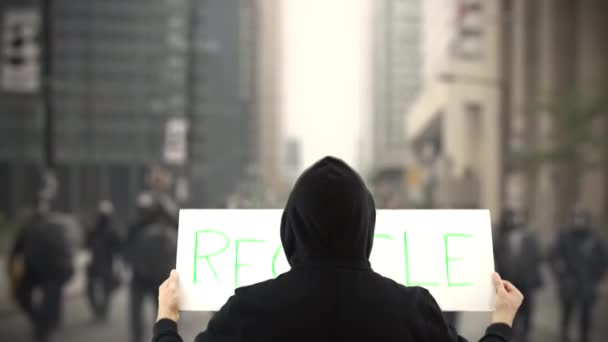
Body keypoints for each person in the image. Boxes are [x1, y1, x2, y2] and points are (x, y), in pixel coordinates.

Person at [151, 156, 523, 342]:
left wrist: (167, 318)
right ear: (366, 225)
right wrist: (501, 321)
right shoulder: (413, 310)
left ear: (292, 226)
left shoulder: (248, 310)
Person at [124, 165, 179, 342]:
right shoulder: (142, 202)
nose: (158, 181)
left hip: (162, 270)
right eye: (156, 178)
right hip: (141, 268)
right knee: (136, 316)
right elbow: (132, 229)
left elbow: (179, 227)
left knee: (164, 314)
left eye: (162, 178)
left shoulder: (171, 203)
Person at [8, 206, 75, 342]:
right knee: (50, 299)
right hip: (45, 270)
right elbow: (68, 251)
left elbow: (14, 254)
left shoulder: (33, 230)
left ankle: (44, 326)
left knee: (43, 298)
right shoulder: (52, 229)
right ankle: (46, 323)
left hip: (48, 270)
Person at [549, 210, 607, 342]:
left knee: (586, 317)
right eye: (576, 218)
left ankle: (584, 338)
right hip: (568, 283)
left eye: (581, 219)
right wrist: (560, 272)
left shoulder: (594, 238)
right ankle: (564, 336)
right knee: (567, 314)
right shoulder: (564, 237)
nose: (579, 222)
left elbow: (603, 260)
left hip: (587, 284)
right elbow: (554, 256)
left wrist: (596, 277)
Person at [493, 209, 542, 342]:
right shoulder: (501, 240)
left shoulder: (530, 239)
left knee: (527, 313)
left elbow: (536, 259)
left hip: (527, 284)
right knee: (512, 314)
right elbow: (497, 260)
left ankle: (525, 336)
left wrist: (535, 280)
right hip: (509, 282)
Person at [85, 200, 121, 321]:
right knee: (96, 289)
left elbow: (117, 248)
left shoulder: (109, 231)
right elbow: (88, 245)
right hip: (98, 264)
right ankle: (100, 310)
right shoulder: (95, 230)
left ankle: (102, 311)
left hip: (103, 264)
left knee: (105, 290)